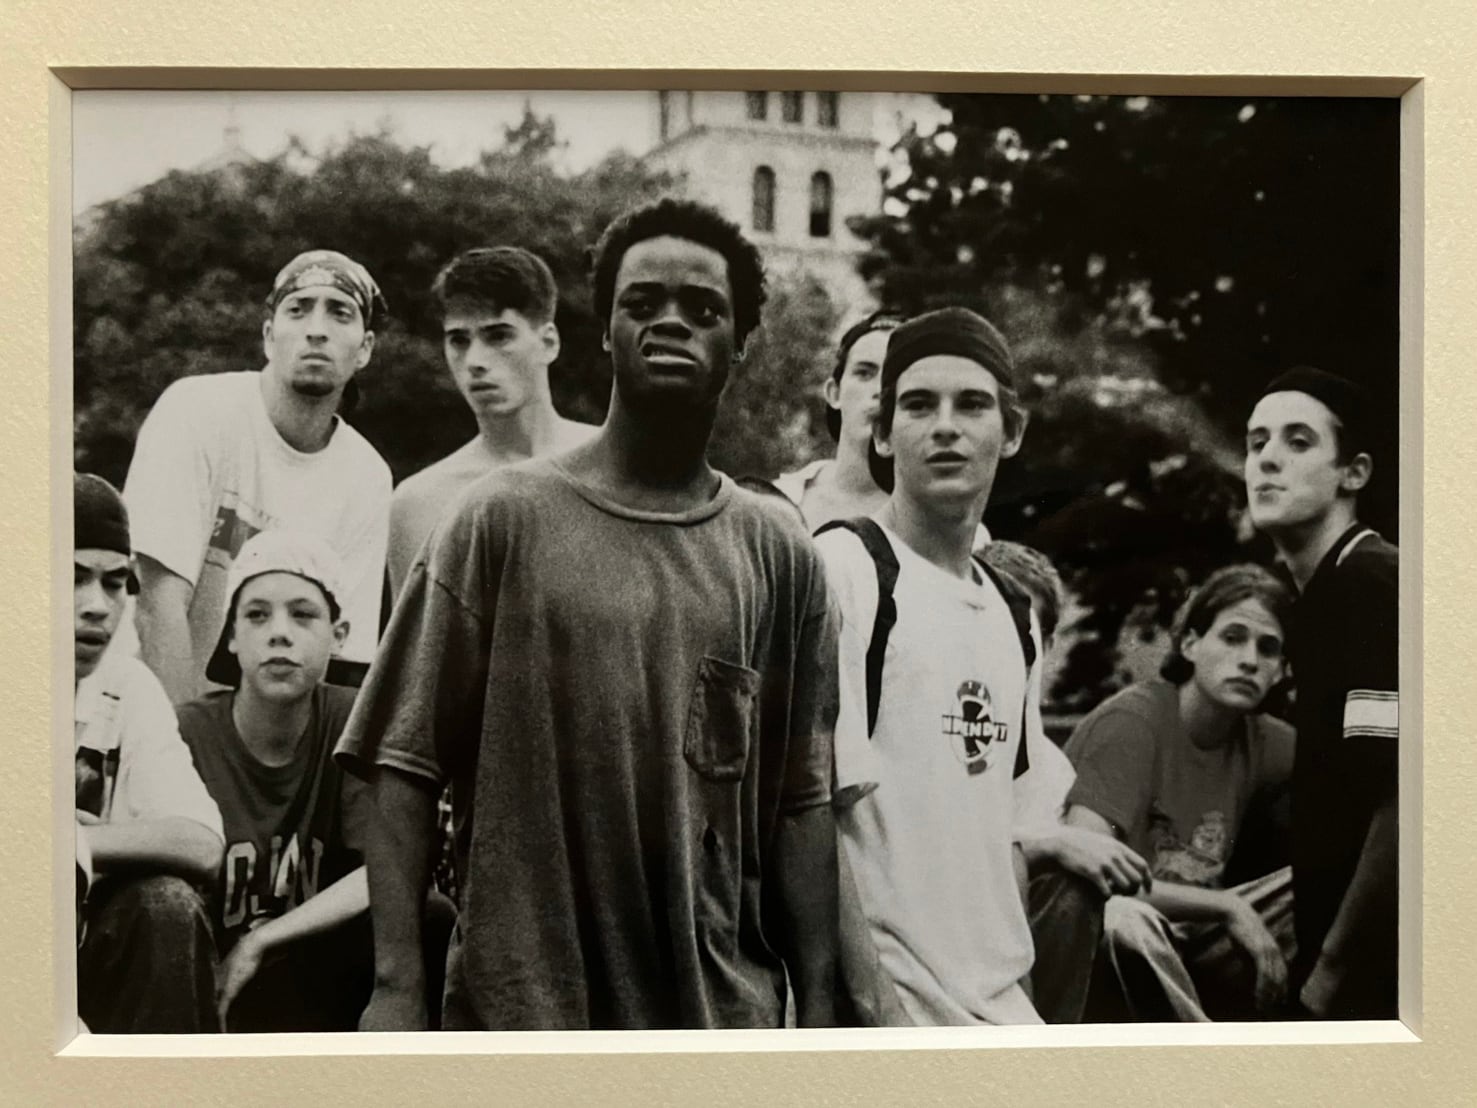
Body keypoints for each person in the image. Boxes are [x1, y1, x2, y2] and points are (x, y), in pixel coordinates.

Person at [336, 197, 842, 1031]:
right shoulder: (498, 519)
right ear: (604, 332)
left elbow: (800, 804)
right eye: (641, 303)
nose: (669, 322)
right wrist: (396, 989)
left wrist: (819, 1008)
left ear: (741, 342)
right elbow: (401, 763)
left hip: (717, 1020)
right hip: (525, 1016)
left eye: (702, 309)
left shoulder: (778, 552)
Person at [814, 306, 1069, 1026]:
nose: (945, 426)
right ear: (882, 433)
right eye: (919, 405)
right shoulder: (846, 568)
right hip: (894, 1008)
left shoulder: (1015, 614)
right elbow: (809, 820)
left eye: (972, 405)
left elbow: (1008, 831)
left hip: (997, 1009)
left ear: (1011, 432)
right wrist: (875, 1008)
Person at [175, 530, 443, 1032]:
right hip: (210, 981)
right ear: (230, 636)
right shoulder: (185, 732)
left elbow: (389, 869)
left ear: (339, 635)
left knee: (432, 915)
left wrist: (262, 940)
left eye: (303, 615)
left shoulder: (354, 721)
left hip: (309, 972)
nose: (279, 633)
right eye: (257, 615)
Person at [124, 249, 393, 704]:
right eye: (298, 309)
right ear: (269, 337)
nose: (316, 329)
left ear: (364, 348)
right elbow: (156, 604)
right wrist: (176, 743)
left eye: (339, 312)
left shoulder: (368, 477)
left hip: (259, 735)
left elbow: (339, 656)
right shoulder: (196, 411)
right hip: (138, 717)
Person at [1063, 565, 1297, 1021]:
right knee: (1125, 920)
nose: (1250, 660)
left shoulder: (1265, 741)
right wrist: (1227, 907)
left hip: (1196, 939)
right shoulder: (1132, 723)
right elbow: (1084, 871)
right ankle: (1202, 1051)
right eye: (1232, 638)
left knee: (1319, 884)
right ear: (1190, 644)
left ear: (1281, 671)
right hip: (1100, 941)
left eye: (1268, 648)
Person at [1245, 366, 1399, 1019]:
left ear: (1353, 474)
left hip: (1377, 976)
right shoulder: (1327, 594)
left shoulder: (1368, 585)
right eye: (1255, 442)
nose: (1266, 459)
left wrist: (1330, 970)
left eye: (1298, 441)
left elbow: (1406, 796)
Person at [73, 474, 225, 1034]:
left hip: (85, 958)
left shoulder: (126, 685)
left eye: (115, 583)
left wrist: (72, 842)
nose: (98, 606)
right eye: (72, 578)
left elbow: (201, 840)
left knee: (166, 906)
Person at [981, 540, 1152, 1024]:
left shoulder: (1051, 770)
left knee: (1098, 904)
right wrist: (1048, 845)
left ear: (1048, 646)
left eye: (1021, 627)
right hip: (936, 947)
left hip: (1018, 959)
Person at [386, 246, 597, 599]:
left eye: (498, 336)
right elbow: (419, 635)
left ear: (548, 343)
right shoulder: (420, 502)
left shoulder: (616, 465)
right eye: (459, 340)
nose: (475, 360)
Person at [775, 312, 900, 531]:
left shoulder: (932, 519)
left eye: (895, 376)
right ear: (834, 393)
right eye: (864, 373)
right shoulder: (780, 499)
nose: (880, 390)